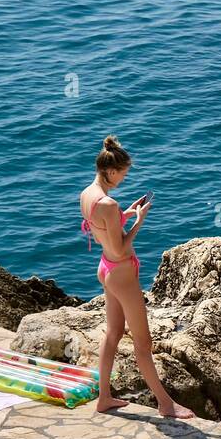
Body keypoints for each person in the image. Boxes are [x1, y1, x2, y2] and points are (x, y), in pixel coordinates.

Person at [81, 135, 193, 418]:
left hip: (105, 269)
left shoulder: (88, 195)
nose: (124, 179)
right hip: (121, 273)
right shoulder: (108, 203)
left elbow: (104, 230)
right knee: (143, 344)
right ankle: (165, 404)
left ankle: (104, 397)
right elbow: (120, 249)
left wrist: (125, 214)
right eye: (123, 174)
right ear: (111, 171)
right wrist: (139, 221)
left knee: (114, 333)